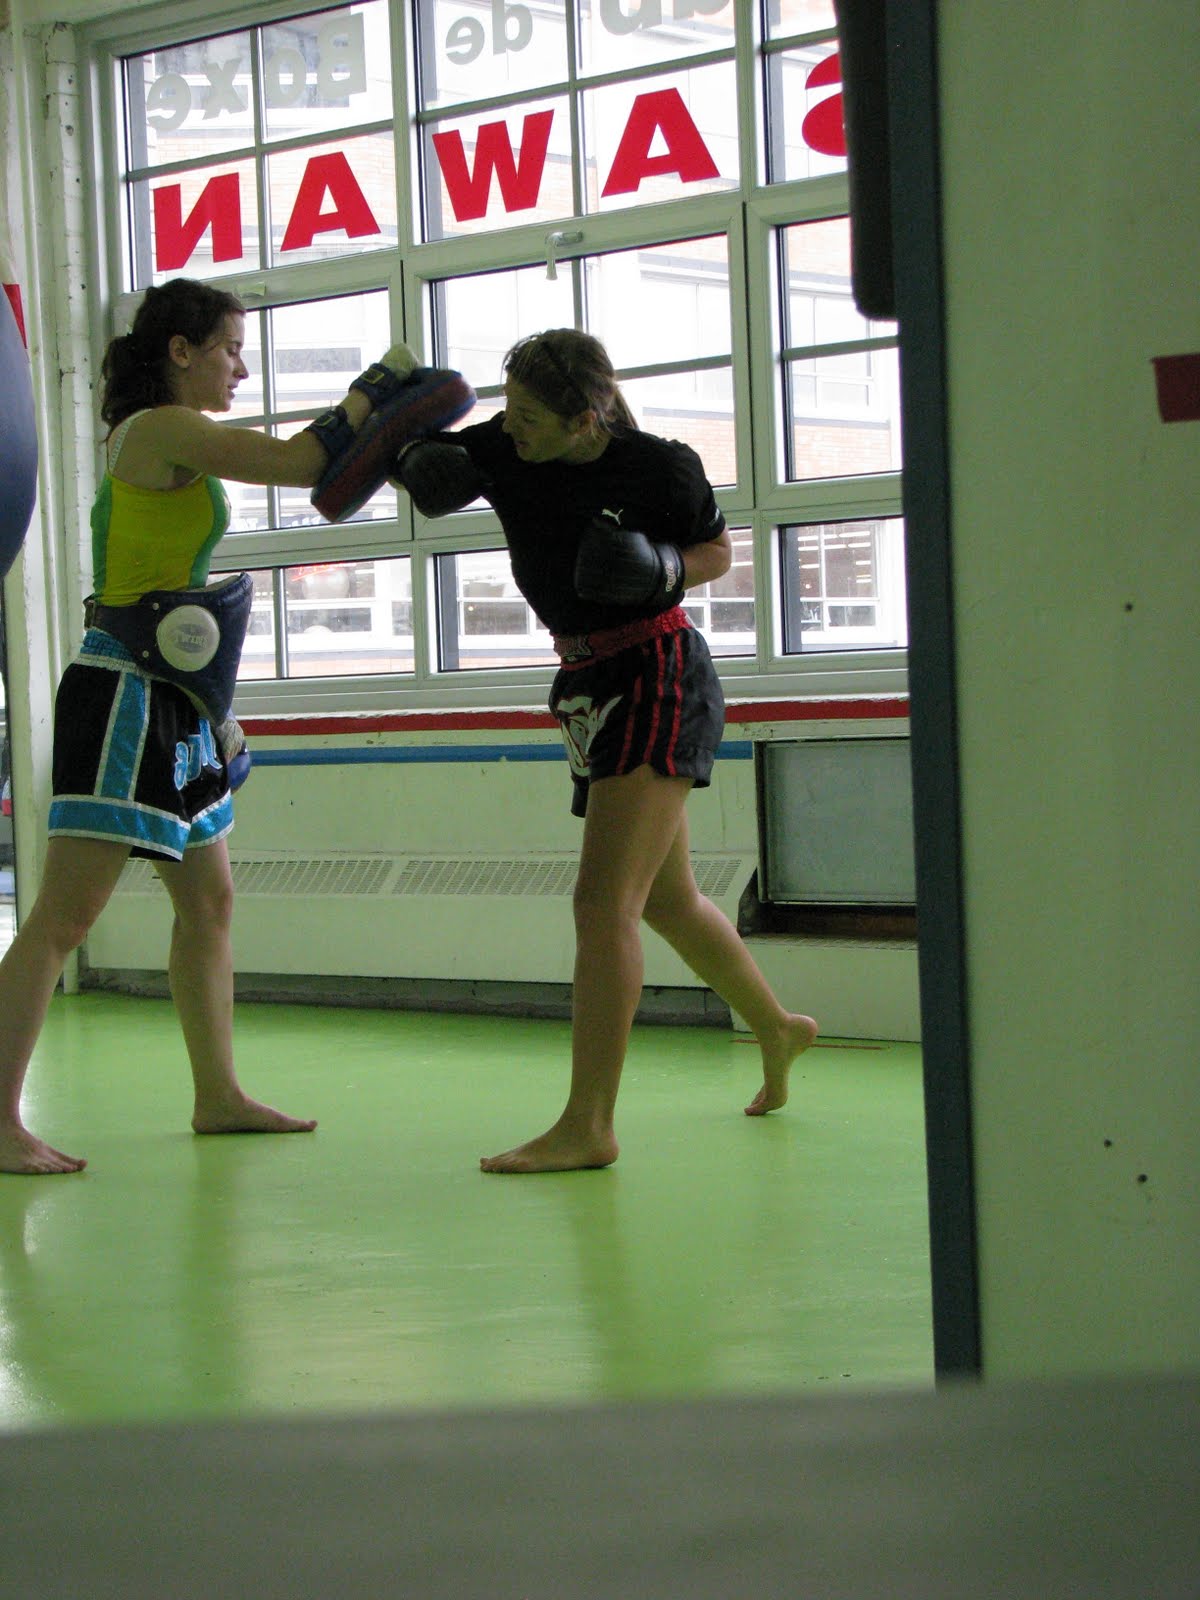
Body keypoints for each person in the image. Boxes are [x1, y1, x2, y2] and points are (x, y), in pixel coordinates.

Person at [0, 276, 416, 1175]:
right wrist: (374, 395)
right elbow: (301, 464)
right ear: (180, 351)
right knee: (64, 917)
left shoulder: (177, 432)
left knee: (209, 902)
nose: (240, 367)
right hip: (122, 689)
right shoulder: (158, 428)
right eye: (229, 348)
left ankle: (217, 1095)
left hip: (178, 690)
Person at [398, 330, 818, 1174]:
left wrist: (661, 566)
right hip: (585, 679)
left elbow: (718, 553)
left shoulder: (660, 467)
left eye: (528, 415)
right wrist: (409, 451)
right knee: (667, 899)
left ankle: (589, 1125)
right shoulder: (504, 445)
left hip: (659, 670)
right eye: (508, 406)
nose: (509, 426)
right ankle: (778, 1028)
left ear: (585, 419)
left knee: (602, 904)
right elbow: (440, 458)